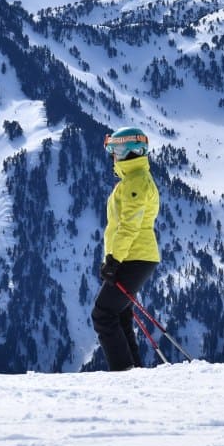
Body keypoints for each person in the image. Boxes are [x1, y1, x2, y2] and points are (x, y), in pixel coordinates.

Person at [91, 126, 161, 370]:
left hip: (134, 257)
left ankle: (123, 373)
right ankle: (133, 374)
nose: (113, 155)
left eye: (115, 149)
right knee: (119, 315)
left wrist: (114, 260)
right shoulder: (135, 180)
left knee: (103, 315)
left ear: (126, 151)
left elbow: (129, 226)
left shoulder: (136, 183)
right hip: (134, 256)